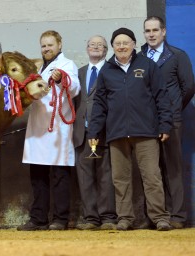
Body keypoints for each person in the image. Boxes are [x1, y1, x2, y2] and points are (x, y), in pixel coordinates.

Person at [87, 27, 173, 231]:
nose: (122, 46)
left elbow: (161, 96)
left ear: (134, 44)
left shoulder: (148, 65)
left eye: (126, 42)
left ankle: (159, 217)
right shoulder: (107, 70)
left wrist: (165, 125)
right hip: (116, 133)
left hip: (146, 131)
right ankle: (125, 218)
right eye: (118, 43)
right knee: (120, 179)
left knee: (152, 176)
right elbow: (99, 104)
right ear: (113, 47)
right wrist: (94, 132)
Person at [18, 30, 80, 231]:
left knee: (59, 175)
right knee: (37, 175)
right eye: (43, 45)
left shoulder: (66, 65)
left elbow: (75, 87)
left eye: (50, 45)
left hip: (57, 130)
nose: (46, 49)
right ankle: (38, 218)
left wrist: (61, 78)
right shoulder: (37, 67)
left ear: (59, 45)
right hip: (37, 128)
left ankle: (60, 219)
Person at [140, 16, 195, 229]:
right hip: (145, 123)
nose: (151, 34)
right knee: (150, 170)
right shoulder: (139, 56)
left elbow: (189, 86)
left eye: (155, 30)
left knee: (172, 168)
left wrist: (172, 109)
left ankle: (178, 216)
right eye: (148, 31)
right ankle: (156, 216)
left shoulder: (177, 56)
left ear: (164, 32)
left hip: (171, 121)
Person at [73, 35, 117, 230]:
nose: (96, 47)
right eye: (92, 44)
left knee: (106, 175)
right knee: (85, 177)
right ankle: (91, 218)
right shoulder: (79, 73)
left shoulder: (112, 71)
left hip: (105, 132)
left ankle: (108, 217)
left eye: (101, 45)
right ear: (87, 48)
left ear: (106, 50)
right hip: (81, 133)